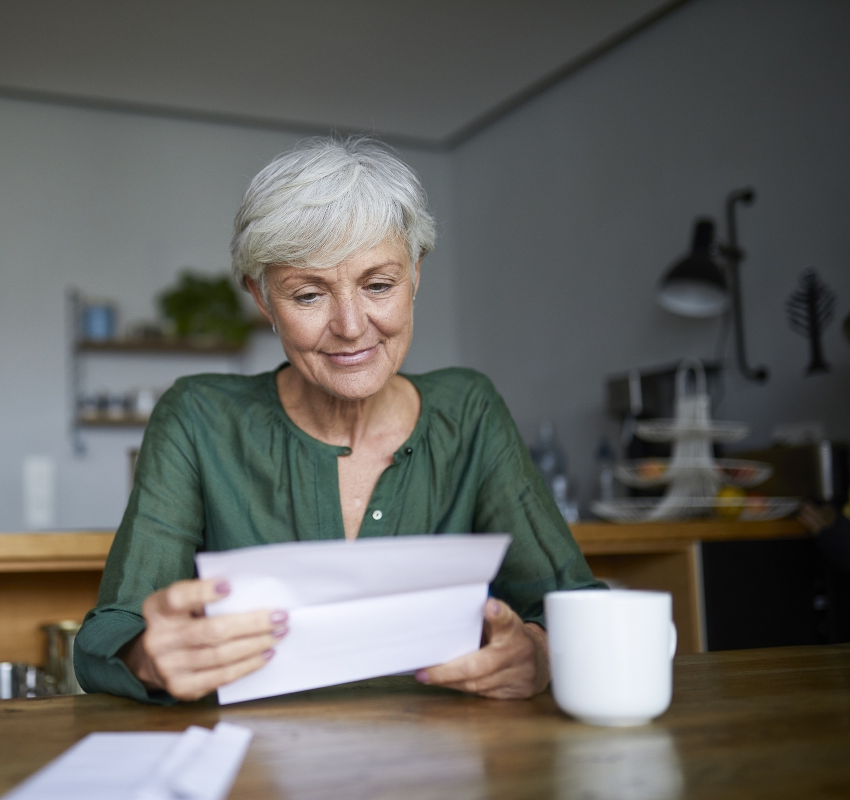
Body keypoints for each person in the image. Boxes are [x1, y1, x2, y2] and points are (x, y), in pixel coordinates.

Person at [75, 137, 604, 704]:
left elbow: (573, 602)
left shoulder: (469, 411)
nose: (352, 326)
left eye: (379, 285)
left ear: (416, 275)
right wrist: (148, 657)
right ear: (261, 298)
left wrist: (540, 653)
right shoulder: (197, 418)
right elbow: (108, 634)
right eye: (308, 295)